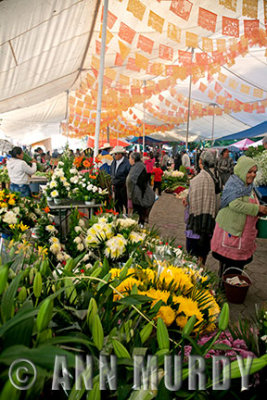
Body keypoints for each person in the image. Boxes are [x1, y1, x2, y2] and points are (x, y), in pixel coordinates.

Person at [211, 156, 267, 281]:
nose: (253, 175)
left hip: (242, 237)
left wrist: (260, 211)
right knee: (230, 267)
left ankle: (229, 286)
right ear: (242, 171)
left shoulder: (247, 187)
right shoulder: (235, 185)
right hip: (232, 234)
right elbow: (234, 204)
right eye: (249, 171)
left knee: (235, 269)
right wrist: (257, 209)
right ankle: (227, 289)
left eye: (254, 172)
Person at [184, 151, 221, 265]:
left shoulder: (196, 180)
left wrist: (187, 201)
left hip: (195, 227)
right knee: (203, 255)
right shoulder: (217, 179)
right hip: (209, 226)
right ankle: (201, 273)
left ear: (201, 162)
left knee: (192, 258)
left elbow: (190, 204)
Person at [126, 152, 155, 226]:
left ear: (133, 159)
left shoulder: (137, 167)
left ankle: (139, 228)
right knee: (140, 213)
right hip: (140, 193)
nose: (129, 160)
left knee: (138, 213)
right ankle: (140, 226)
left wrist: (129, 195)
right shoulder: (140, 165)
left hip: (138, 195)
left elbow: (130, 180)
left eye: (129, 158)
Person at [110, 146, 131, 214]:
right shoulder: (114, 162)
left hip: (124, 187)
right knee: (117, 204)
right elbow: (112, 173)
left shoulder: (127, 163)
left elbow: (129, 175)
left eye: (115, 154)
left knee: (126, 204)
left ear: (120, 154)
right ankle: (119, 217)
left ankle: (128, 218)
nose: (114, 156)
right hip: (116, 187)